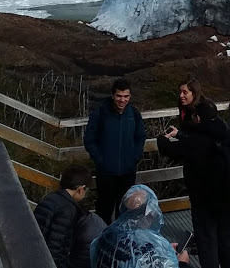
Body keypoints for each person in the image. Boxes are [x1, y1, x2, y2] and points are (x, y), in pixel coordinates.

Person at [158, 101, 230, 268]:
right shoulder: (227, 136)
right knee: (227, 240)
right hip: (228, 197)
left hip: (204, 199)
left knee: (206, 241)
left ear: (198, 118)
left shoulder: (198, 139)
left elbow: (173, 151)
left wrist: (161, 139)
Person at [84, 77, 146, 224]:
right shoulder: (100, 114)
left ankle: (121, 242)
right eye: (119, 96)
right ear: (113, 95)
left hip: (127, 171)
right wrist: (100, 160)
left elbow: (140, 137)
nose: (122, 100)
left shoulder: (134, 115)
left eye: (126, 96)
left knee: (125, 210)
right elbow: (89, 139)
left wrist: (134, 158)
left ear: (130, 96)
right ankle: (102, 242)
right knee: (103, 210)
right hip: (106, 172)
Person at [90, 184, 190, 268]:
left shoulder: (107, 234)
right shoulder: (149, 248)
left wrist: (165, 250)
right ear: (152, 214)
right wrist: (182, 263)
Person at [34, 164, 91, 268]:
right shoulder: (68, 210)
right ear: (81, 189)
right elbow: (56, 245)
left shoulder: (50, 197)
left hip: (33, 253)